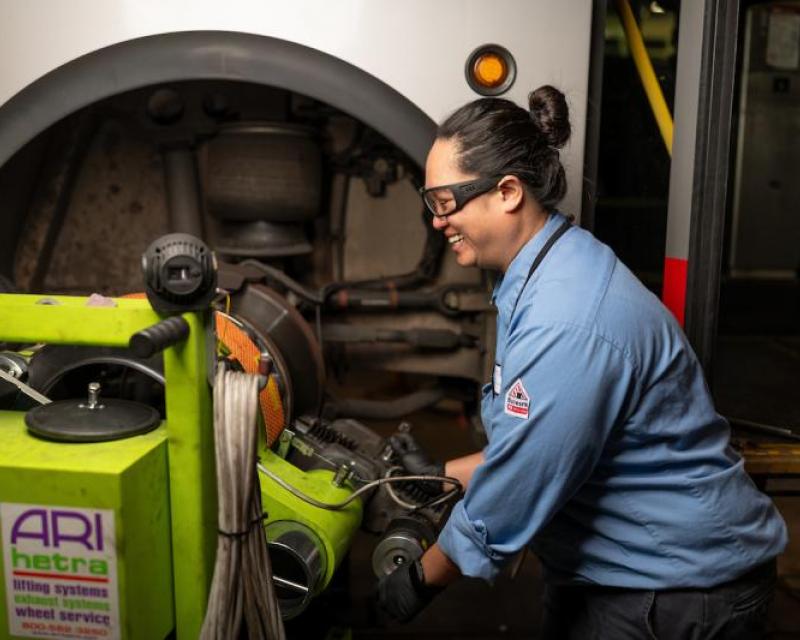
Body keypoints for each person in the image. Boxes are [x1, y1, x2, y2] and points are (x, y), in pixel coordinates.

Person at [375, 86, 788, 639]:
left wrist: (421, 580)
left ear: (507, 192)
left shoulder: (567, 317)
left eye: (445, 203)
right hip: (631, 576)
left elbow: (519, 488)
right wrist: (440, 478)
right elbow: (544, 441)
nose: (437, 221)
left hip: (678, 591)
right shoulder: (545, 274)